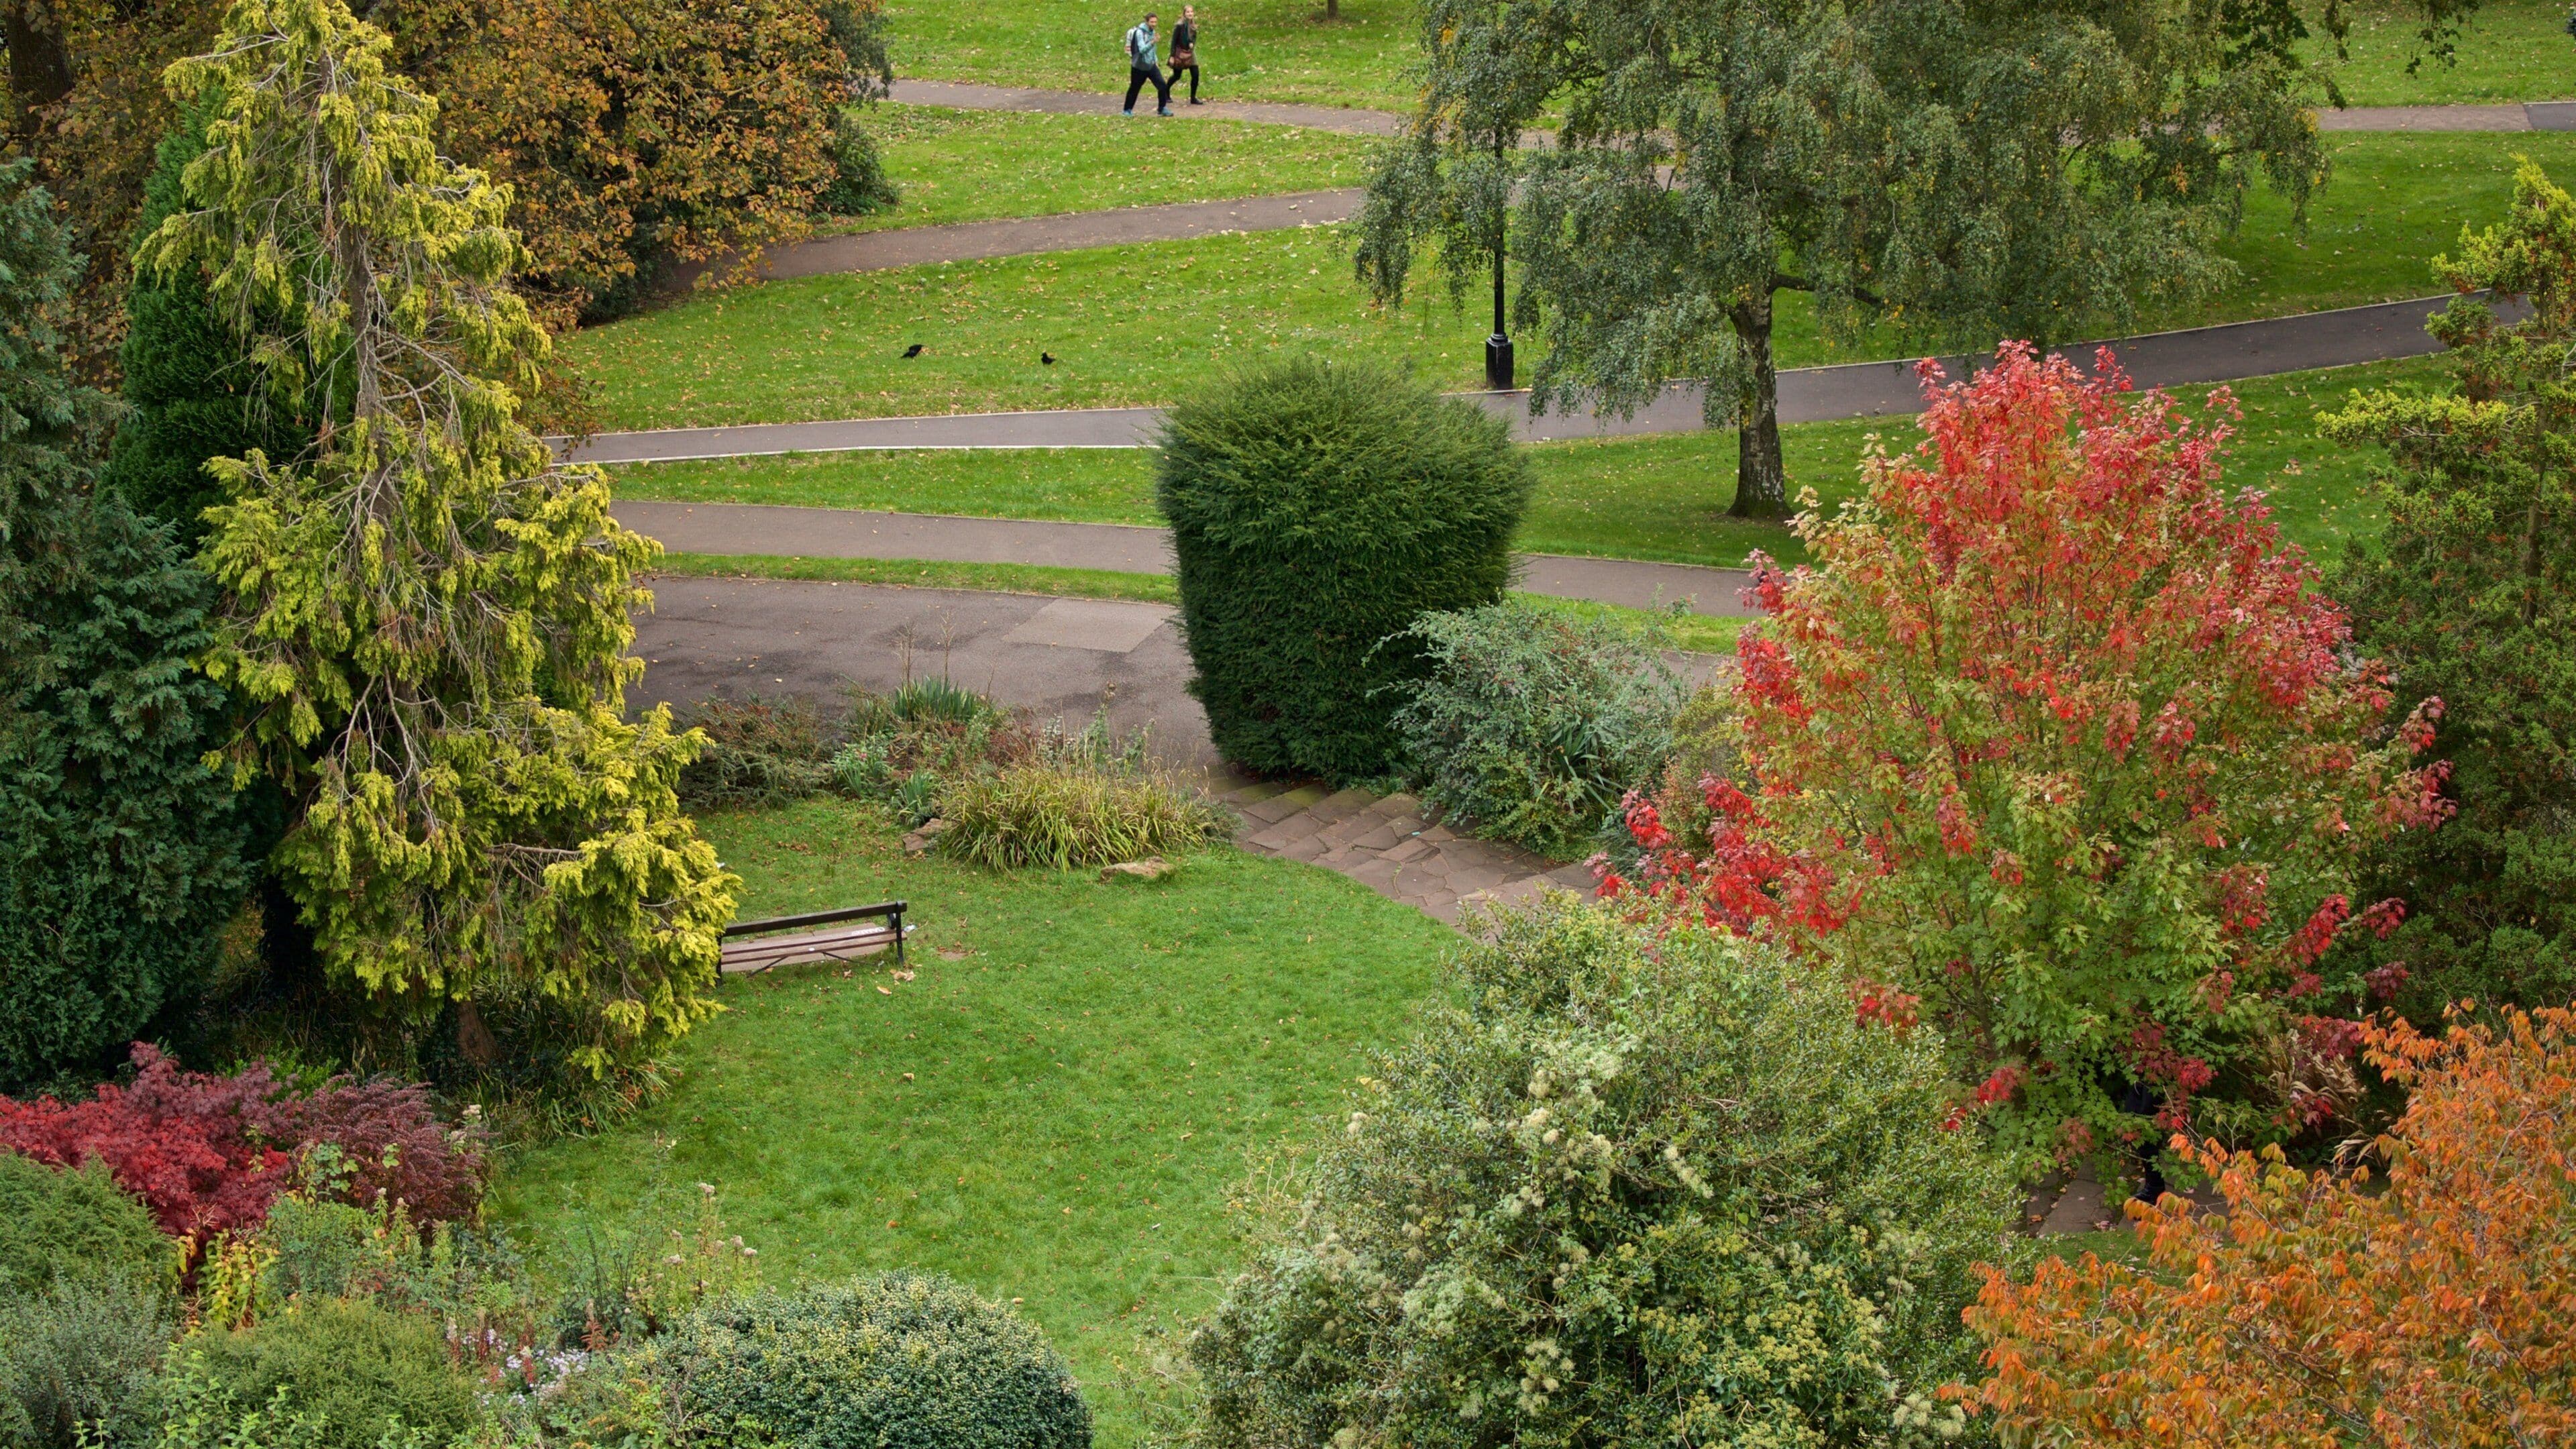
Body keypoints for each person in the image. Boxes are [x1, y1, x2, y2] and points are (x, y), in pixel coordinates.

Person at [1124, 11, 1173, 117]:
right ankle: (1127, 110)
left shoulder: (1152, 32)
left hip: (1150, 65)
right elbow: (1142, 50)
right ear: (1147, 22)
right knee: (1134, 88)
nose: (1154, 24)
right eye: (1152, 22)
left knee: (1162, 85)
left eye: (1155, 22)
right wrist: (1153, 42)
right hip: (1139, 66)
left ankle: (1162, 108)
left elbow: (1153, 50)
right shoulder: (1140, 33)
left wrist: (1155, 60)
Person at [1171, 6, 1203, 105]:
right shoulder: (1180, 25)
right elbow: (1174, 41)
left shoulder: (1193, 26)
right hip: (1180, 53)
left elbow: (1193, 39)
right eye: (1188, 12)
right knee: (1177, 76)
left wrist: (1191, 43)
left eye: (1191, 12)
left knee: (1196, 75)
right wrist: (1172, 55)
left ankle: (1193, 98)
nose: (1190, 14)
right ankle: (1166, 91)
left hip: (1190, 52)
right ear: (1184, 14)